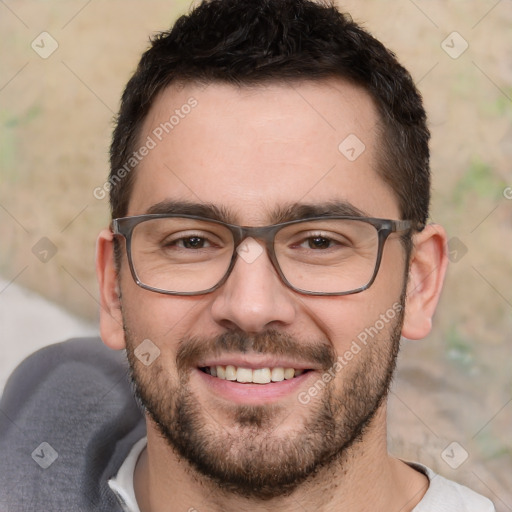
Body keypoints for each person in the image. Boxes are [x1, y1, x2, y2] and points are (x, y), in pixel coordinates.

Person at [0, 0, 496, 510]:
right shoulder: (36, 420)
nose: (251, 307)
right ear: (111, 287)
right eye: (191, 241)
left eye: (319, 241)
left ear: (418, 283)